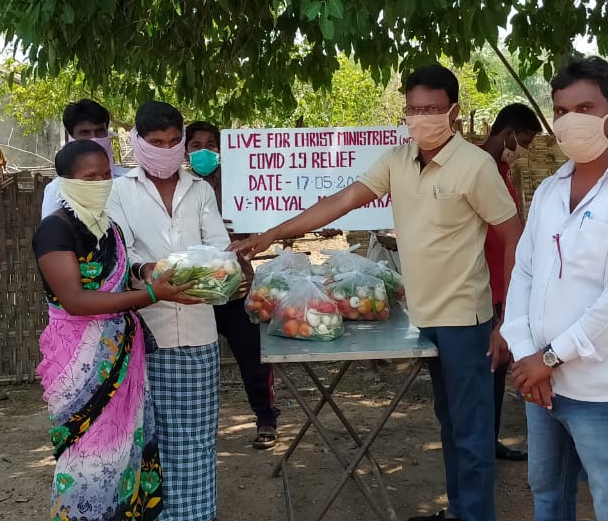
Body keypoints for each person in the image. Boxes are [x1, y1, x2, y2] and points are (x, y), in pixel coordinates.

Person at [231, 64, 523, 521]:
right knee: (450, 421)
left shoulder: (476, 166)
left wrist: (510, 321)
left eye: (432, 109)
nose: (421, 118)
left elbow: (513, 237)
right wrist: (271, 234)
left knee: (471, 431)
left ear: (454, 112)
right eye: (413, 109)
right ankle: (460, 511)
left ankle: (475, 514)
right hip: (423, 314)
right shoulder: (397, 161)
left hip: (465, 318)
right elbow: (340, 202)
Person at [502, 56, 608, 521]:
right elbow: (524, 273)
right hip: (541, 384)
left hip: (601, 390)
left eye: (584, 108)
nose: (569, 121)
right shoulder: (550, 192)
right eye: (560, 111)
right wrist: (526, 355)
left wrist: (549, 358)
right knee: (547, 495)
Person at [34, 139, 200, 521]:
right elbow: (76, 301)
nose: (100, 183)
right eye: (89, 177)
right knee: (88, 457)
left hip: (123, 354)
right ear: (65, 182)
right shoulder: (54, 230)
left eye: (106, 174)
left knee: (127, 448)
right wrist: (154, 295)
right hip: (80, 363)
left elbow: (120, 287)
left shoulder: (109, 229)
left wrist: (156, 279)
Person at [109, 102, 234, 521]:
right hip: (144, 332)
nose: (165, 150)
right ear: (138, 142)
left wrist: (216, 270)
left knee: (196, 440)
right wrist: (147, 271)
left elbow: (218, 247)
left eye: (172, 141)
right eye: (156, 142)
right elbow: (119, 253)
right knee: (145, 440)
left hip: (197, 331)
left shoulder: (199, 190)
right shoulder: (120, 191)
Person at [186, 121, 281, 449]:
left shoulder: (242, 183)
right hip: (194, 294)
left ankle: (266, 418)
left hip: (237, 289)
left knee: (253, 358)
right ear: (185, 151)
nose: (204, 151)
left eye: (210, 145)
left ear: (221, 149)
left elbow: (271, 217)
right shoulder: (177, 188)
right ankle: (195, 431)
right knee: (192, 366)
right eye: (196, 145)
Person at [478, 103, 541, 462]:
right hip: (485, 284)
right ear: (508, 134)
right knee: (487, 367)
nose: (525, 151)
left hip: (504, 282)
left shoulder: (501, 171)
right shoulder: (479, 170)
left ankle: (489, 440)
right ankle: (481, 445)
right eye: (525, 142)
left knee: (496, 368)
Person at [42, 99, 130, 218]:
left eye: (100, 131)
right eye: (84, 133)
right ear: (71, 136)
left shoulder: (129, 180)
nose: (94, 139)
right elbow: (52, 227)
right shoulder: (57, 190)